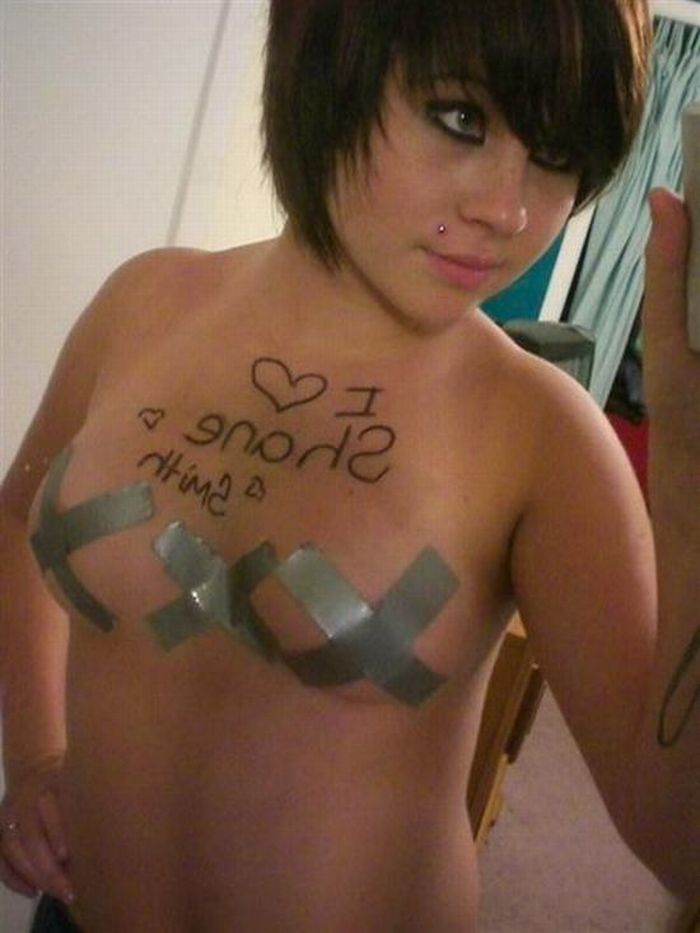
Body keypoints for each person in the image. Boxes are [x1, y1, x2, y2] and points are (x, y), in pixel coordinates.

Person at [0, 0, 698, 929]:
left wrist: (688, 489)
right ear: (328, 63)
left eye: (557, 154)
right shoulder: (143, 301)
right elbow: (19, 516)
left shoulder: (544, 436)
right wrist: (37, 752)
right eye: (461, 118)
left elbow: (679, 842)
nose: (509, 210)